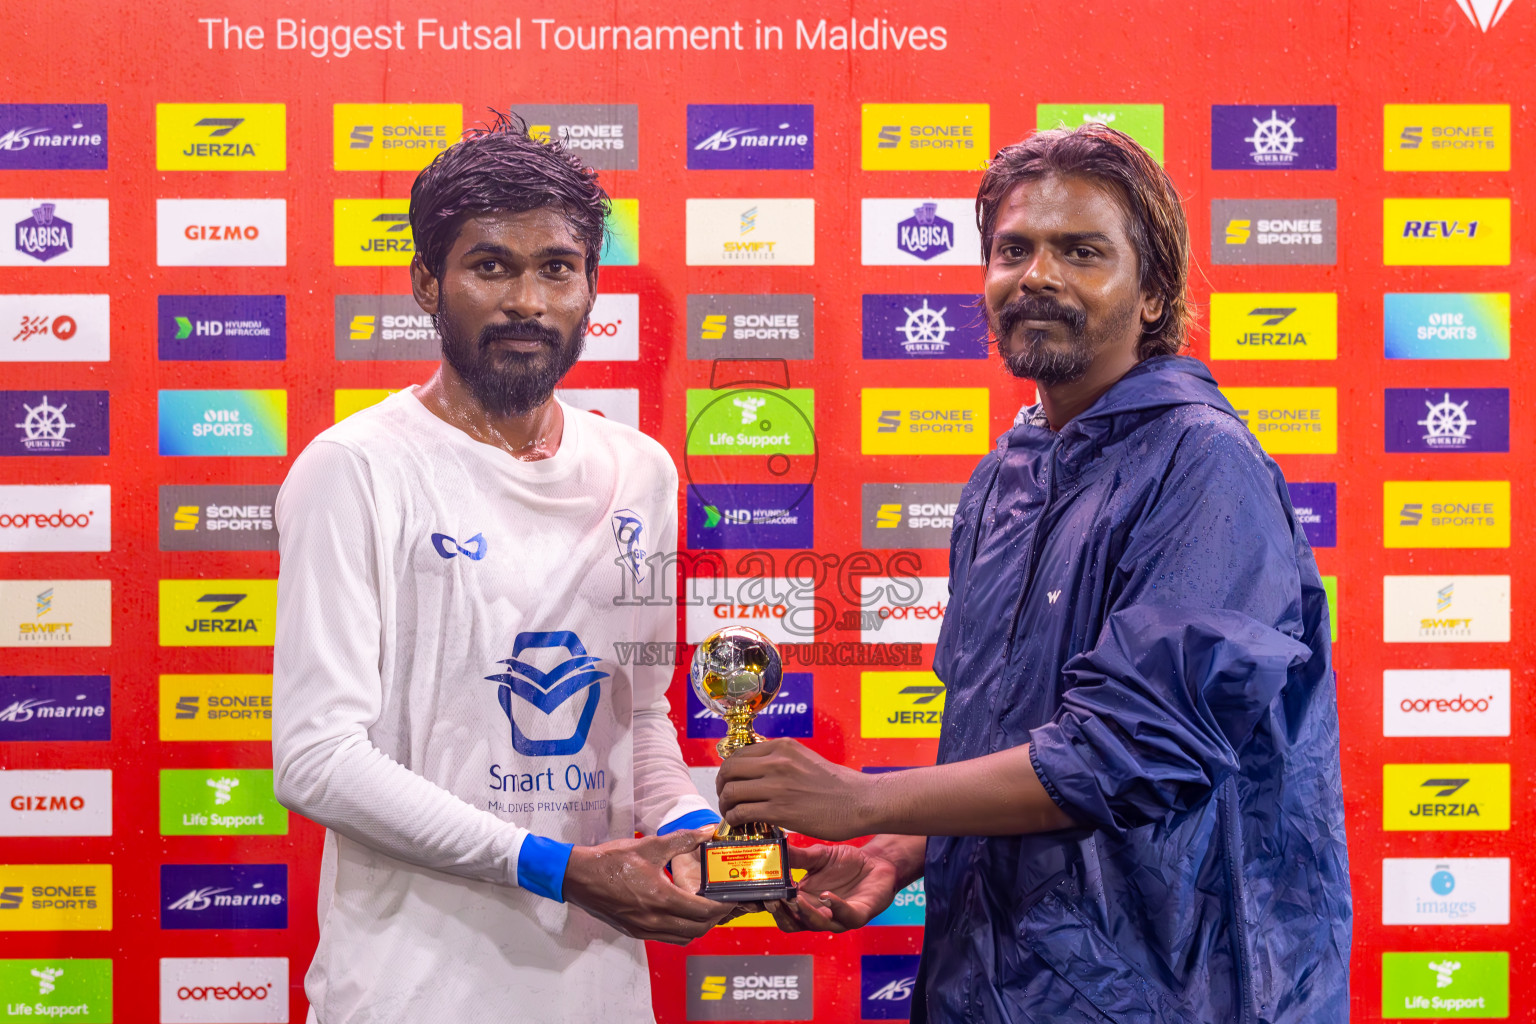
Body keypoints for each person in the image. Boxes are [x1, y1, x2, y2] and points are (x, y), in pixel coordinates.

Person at [716, 124, 1351, 1023]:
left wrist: (863, 798)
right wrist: (902, 844)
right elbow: (1008, 742)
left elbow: (1131, 752)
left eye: (1082, 252)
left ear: (1155, 296)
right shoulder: (1005, 474)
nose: (1037, 275)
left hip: (1175, 993)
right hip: (984, 978)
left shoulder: (1205, 464)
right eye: (1014, 250)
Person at [272, 113, 729, 1024]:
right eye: (492, 266)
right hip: (411, 993)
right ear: (426, 285)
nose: (528, 299)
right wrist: (556, 869)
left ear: (591, 288)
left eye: (556, 268)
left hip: (598, 991)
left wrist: (692, 833)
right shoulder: (355, 468)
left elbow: (638, 720)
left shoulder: (642, 470)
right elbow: (317, 758)